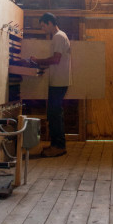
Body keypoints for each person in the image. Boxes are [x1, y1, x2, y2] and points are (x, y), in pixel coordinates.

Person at [31, 12, 71, 158]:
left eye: (43, 26)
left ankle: (59, 146)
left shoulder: (58, 36)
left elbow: (56, 60)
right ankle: (56, 144)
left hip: (59, 82)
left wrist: (38, 61)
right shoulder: (59, 36)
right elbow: (56, 61)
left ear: (49, 23)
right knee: (54, 114)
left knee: (55, 114)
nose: (43, 29)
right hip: (58, 81)